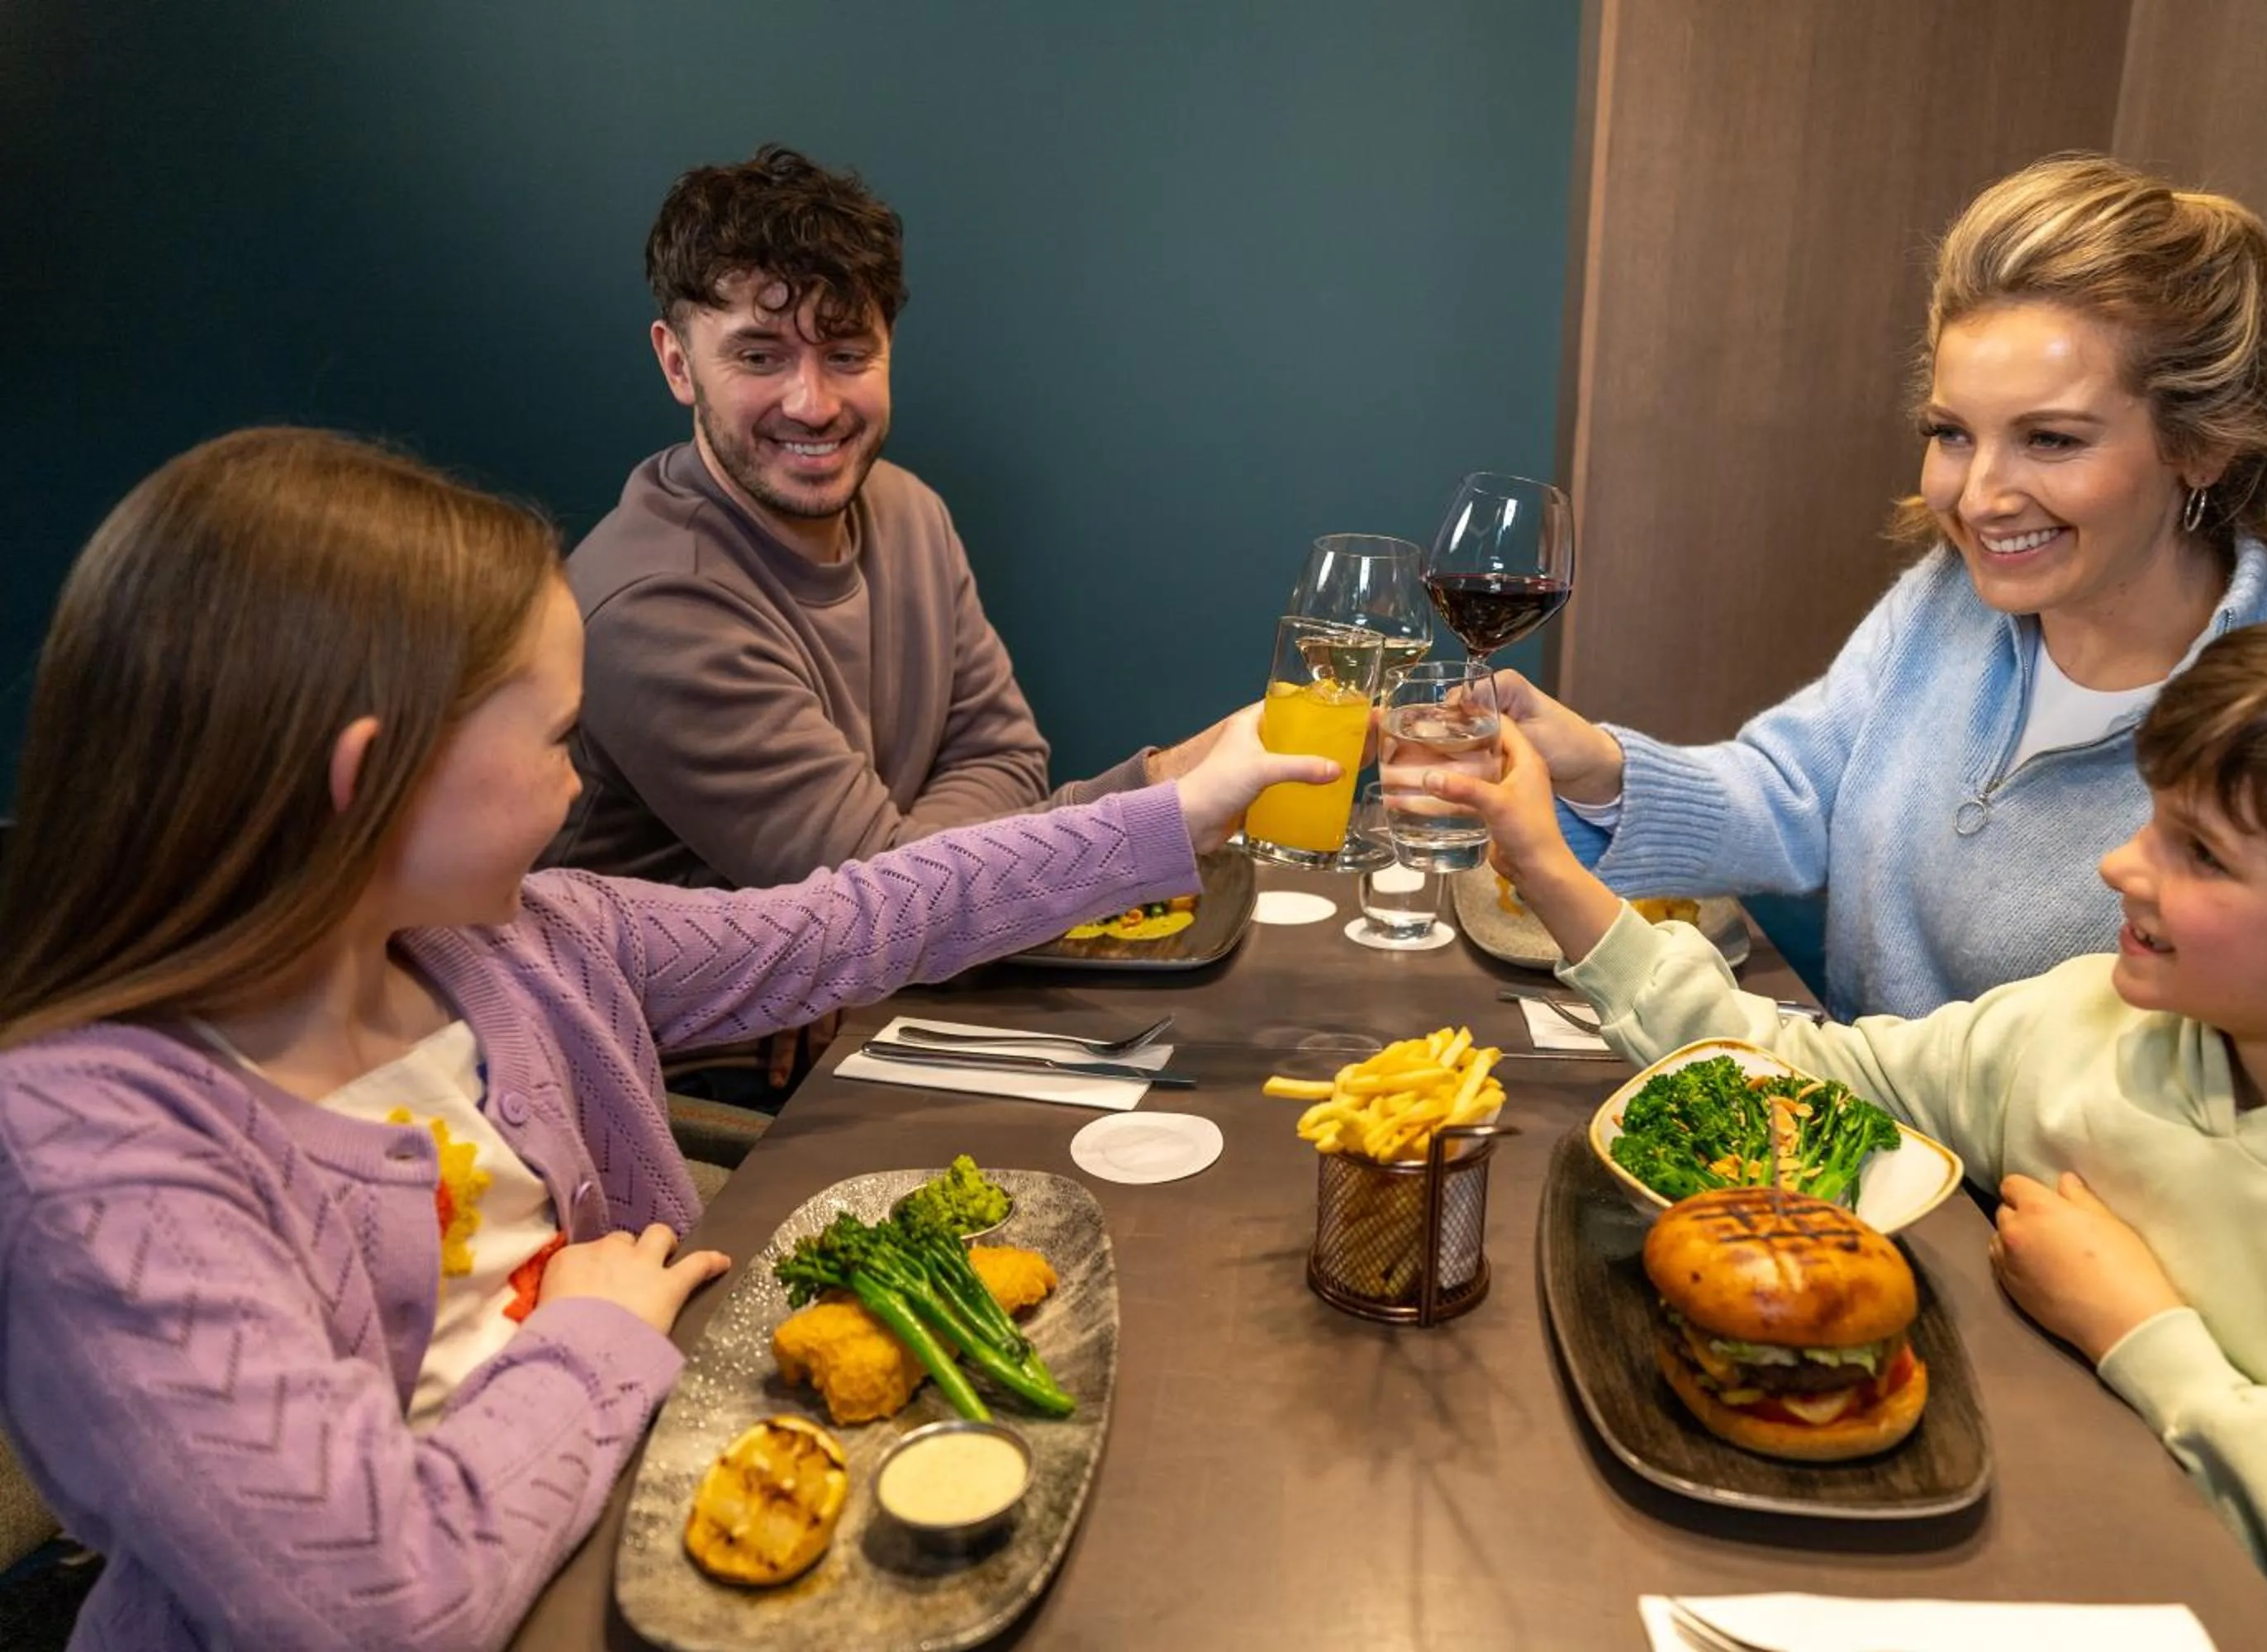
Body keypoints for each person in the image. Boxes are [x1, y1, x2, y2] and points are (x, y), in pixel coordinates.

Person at [0, 428, 1331, 1650]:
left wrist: (1176, 812)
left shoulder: (522, 940)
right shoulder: (93, 1157)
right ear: (371, 778)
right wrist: (584, 1341)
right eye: (561, 738)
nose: (583, 785)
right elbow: (370, 1602)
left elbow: (851, 918)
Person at [1438, 589, 2267, 1651]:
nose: (2121, 866)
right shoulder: (2082, 1019)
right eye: (2151, 820)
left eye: (2202, 854)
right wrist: (1554, 874)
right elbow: (1796, 1082)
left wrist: (2141, 1333)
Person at [1496, 153, 2267, 1020]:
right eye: (1953, 432)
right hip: (1846, 1130)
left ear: (2203, 444)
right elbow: (1793, 794)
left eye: (2051, 439)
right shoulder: (1950, 595)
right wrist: (1589, 763)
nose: (1978, 498)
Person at [544, 144, 1224, 891]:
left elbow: (1004, 758)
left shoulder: (909, 512)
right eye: (761, 357)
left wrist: (919, 857)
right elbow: (885, 912)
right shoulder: (654, 608)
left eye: (845, 353)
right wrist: (1178, 782)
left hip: (877, 991)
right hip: (672, 1011)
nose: (813, 404)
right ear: (678, 364)